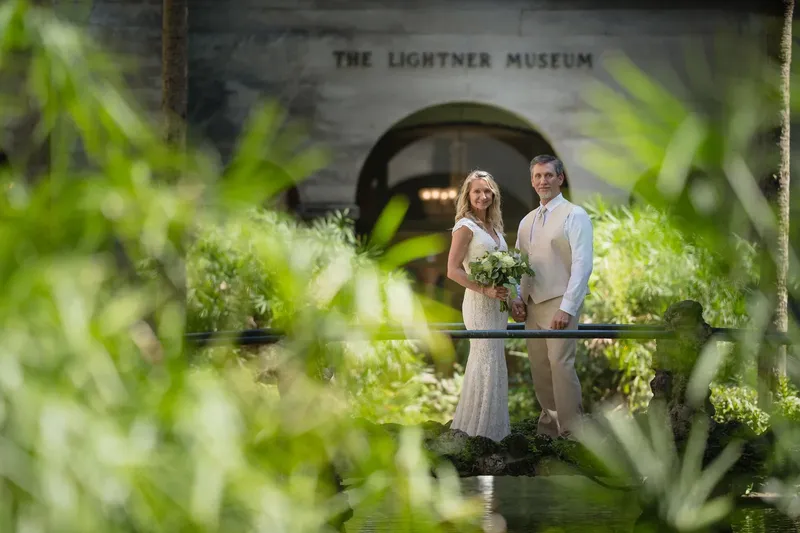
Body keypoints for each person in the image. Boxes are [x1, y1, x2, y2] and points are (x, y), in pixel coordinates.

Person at [510, 155, 593, 439]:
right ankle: (548, 430)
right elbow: (518, 263)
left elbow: (582, 265)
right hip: (532, 305)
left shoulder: (575, 215)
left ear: (560, 178)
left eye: (548, 175)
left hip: (560, 302)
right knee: (540, 369)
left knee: (561, 366)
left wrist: (567, 308)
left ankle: (573, 433)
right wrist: (518, 299)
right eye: (537, 176)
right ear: (532, 182)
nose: (542, 181)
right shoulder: (526, 221)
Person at [446, 169, 511, 442]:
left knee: (495, 360)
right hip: (478, 303)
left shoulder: (494, 229)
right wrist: (484, 289)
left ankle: (494, 430)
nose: (482, 196)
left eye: (487, 191)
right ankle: (476, 431)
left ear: (493, 193)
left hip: (497, 306)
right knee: (484, 359)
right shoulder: (465, 227)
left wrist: (513, 299)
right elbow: (452, 270)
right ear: (468, 196)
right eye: (476, 191)